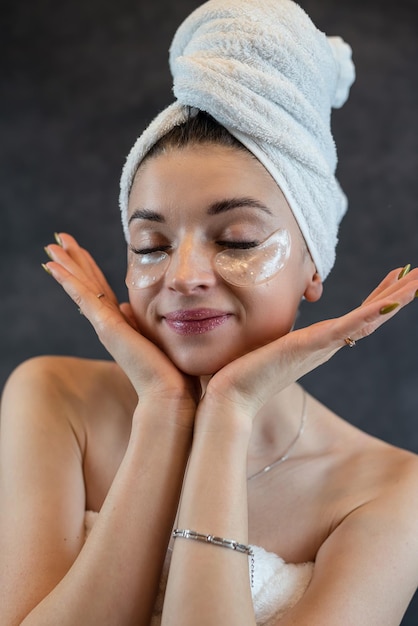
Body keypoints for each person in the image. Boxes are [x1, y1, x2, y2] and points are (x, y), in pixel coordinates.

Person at [1, 0, 417, 624]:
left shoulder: (391, 493)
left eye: (238, 240)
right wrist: (166, 414)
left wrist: (227, 416)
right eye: (152, 245)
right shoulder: (56, 399)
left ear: (314, 268)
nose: (184, 276)